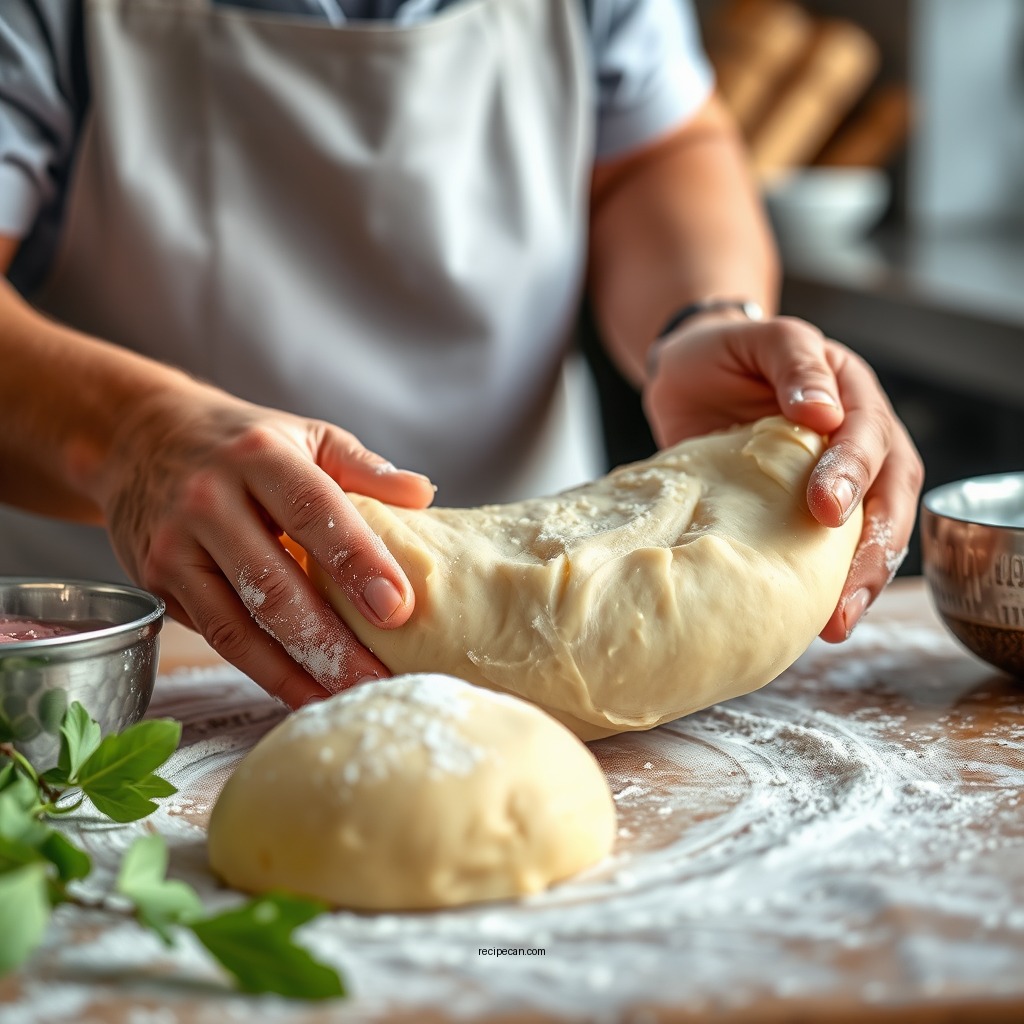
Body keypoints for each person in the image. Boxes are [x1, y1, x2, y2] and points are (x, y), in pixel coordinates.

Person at [0, 0, 923, 710]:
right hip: (103, 666)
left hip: (584, 572)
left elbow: (656, 151)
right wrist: (131, 438)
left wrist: (703, 316)